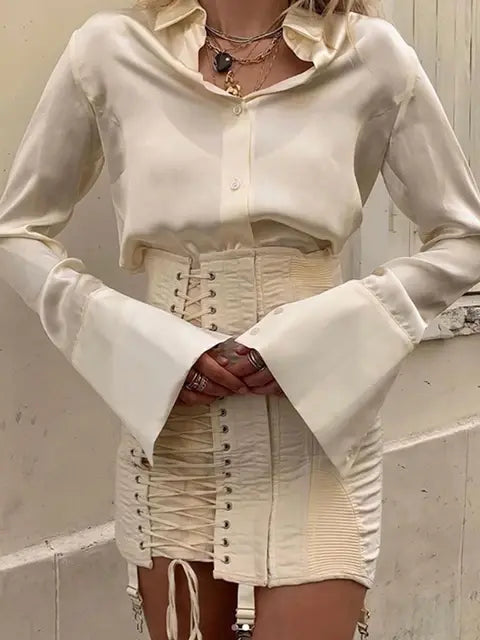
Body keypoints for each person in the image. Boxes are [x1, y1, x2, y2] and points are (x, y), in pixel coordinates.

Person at [1, 0, 480, 638]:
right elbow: (18, 232)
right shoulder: (109, 51)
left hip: (315, 440)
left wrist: (315, 344)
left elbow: (463, 238)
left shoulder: (370, 55)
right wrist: (150, 351)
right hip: (174, 439)